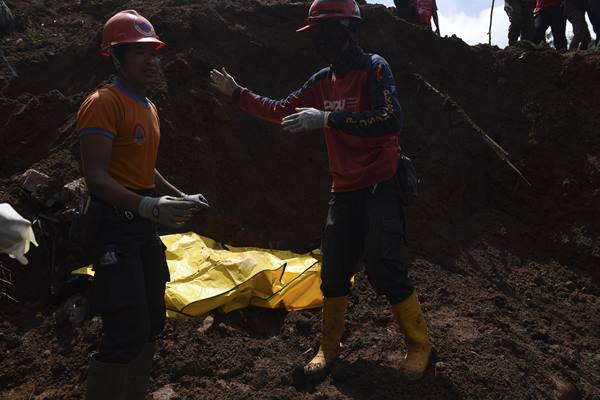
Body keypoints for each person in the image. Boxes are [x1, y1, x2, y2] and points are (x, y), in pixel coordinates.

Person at [210, 0, 431, 382]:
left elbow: (389, 118)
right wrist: (237, 94)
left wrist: (329, 119)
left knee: (384, 265)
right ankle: (328, 348)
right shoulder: (321, 81)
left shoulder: (374, 68)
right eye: (315, 34)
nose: (319, 42)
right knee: (333, 271)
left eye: (324, 32)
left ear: (347, 29)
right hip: (344, 187)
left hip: (381, 181)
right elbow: (281, 109)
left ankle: (419, 345)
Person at [76, 10, 208, 399]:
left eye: (153, 52)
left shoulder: (148, 107)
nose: (151, 61)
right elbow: (96, 177)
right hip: (114, 228)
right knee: (125, 328)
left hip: (140, 227)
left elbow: (146, 169)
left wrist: (178, 195)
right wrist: (147, 206)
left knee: (152, 321)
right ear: (115, 57)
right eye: (138, 53)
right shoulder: (103, 102)